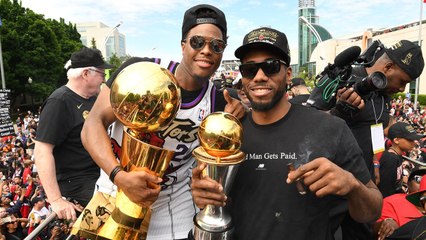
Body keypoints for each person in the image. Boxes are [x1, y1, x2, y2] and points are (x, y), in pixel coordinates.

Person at [191, 26, 382, 239]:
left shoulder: (331, 129)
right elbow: (211, 200)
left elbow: (372, 211)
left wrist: (352, 187)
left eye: (271, 67)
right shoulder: (228, 136)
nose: (260, 76)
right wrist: (203, 196)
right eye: (250, 69)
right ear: (242, 78)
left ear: (288, 73)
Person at [81, 4, 245, 240]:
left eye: (216, 45)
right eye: (197, 42)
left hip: (171, 220)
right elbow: (92, 126)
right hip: (112, 201)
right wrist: (119, 176)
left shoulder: (220, 101)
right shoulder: (140, 71)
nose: (207, 50)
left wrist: (239, 116)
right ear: (182, 45)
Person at [329, 39, 424, 240]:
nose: (402, 89)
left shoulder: (384, 94)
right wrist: (338, 110)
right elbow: (311, 124)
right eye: (403, 82)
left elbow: (377, 130)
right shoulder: (345, 78)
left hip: (364, 182)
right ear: (388, 67)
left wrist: (375, 164)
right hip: (334, 182)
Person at [34, 47, 112, 221]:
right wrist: (56, 199)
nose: (104, 79)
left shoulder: (93, 99)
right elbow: (41, 151)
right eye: (101, 73)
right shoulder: (59, 101)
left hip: (100, 174)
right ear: (86, 74)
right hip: (76, 182)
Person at [374, 166, 426, 239]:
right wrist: (387, 222)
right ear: (408, 182)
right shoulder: (393, 201)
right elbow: (373, 228)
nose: (423, 183)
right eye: (419, 179)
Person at [378, 122, 424, 198]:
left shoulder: (397, 156)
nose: (414, 143)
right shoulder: (390, 159)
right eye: (410, 140)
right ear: (396, 140)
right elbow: (385, 192)